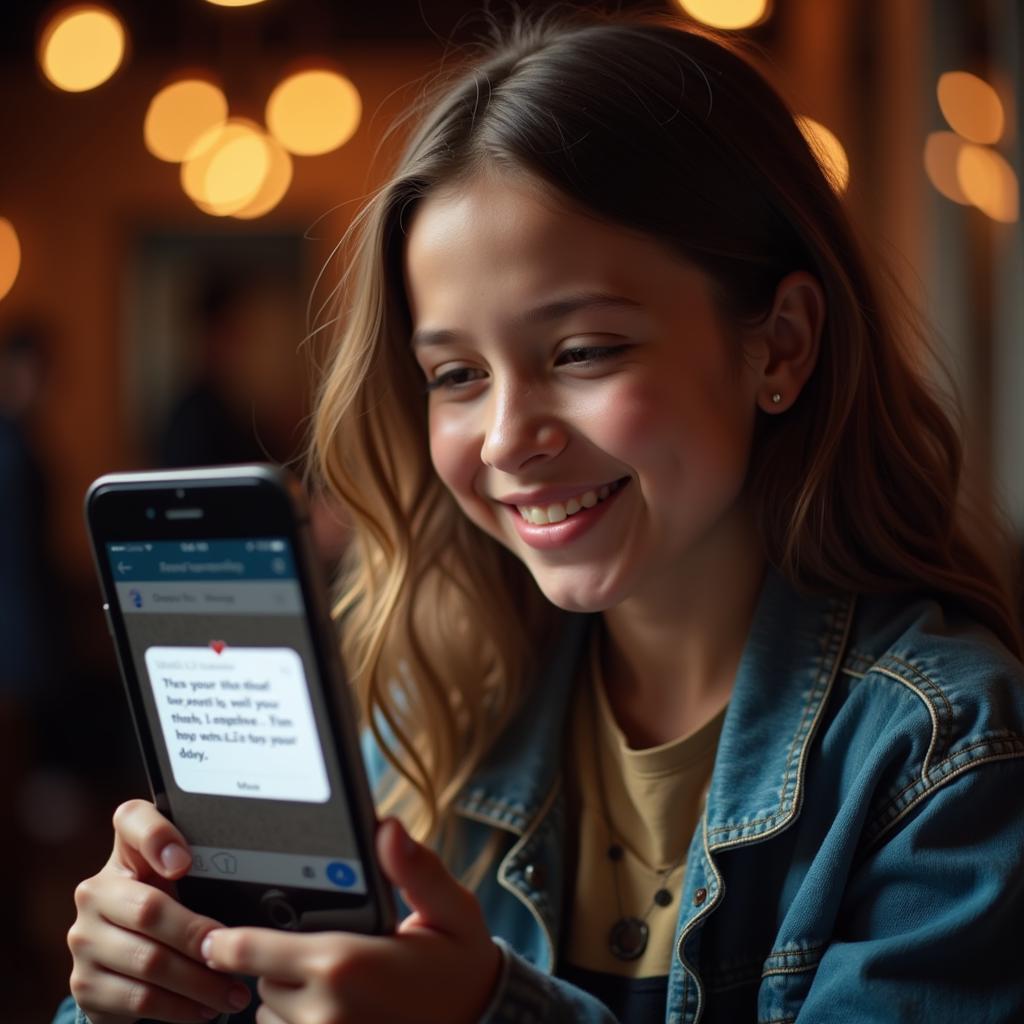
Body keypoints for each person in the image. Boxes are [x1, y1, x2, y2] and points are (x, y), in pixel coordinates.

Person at [55, 11, 1024, 1024]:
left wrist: (486, 1011)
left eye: (582, 351)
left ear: (778, 345)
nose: (506, 437)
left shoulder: (939, 756)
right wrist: (140, 990)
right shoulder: (427, 715)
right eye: (456, 374)